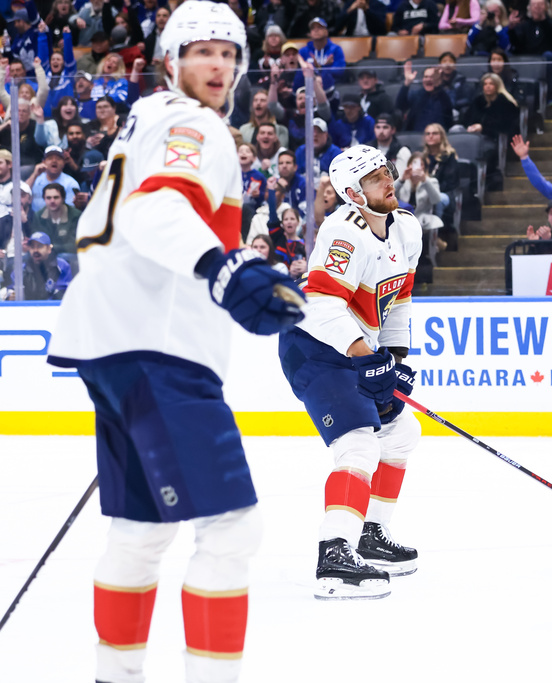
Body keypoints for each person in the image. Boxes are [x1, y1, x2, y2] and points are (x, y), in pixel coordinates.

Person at [45, 5, 305, 682]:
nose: (217, 65)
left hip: (110, 339)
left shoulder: (148, 121)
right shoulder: (194, 123)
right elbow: (156, 207)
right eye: (201, 52)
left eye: (228, 53)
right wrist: (226, 268)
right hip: (156, 344)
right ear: (171, 60)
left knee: (143, 528)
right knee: (231, 527)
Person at [277, 145, 421, 600]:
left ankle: (369, 538)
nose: (387, 181)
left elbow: (398, 300)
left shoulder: (408, 229)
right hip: (314, 347)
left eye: (386, 171)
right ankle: (334, 554)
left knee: (401, 433)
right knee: (359, 443)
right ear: (352, 194)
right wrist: (365, 355)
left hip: (356, 348)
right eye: (374, 178)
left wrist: (395, 360)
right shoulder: (343, 233)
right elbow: (321, 303)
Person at [5, 231, 73, 300]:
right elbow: (11, 289)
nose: (35, 250)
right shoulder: (21, 269)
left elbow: (64, 293)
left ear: (49, 249)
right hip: (28, 308)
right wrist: (10, 296)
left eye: (40, 246)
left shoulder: (61, 266)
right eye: (32, 247)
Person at [397, 64, 454, 132]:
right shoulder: (416, 95)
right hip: (417, 135)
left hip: (438, 136)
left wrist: (439, 85)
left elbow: (449, 111)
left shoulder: (444, 96)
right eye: (426, 77)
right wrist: (407, 83)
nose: (428, 79)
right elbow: (399, 106)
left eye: (432, 77)